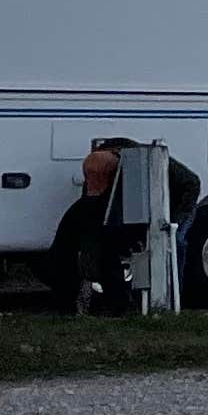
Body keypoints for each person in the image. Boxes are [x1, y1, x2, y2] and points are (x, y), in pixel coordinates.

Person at [60, 131, 130, 315]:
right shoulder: (107, 202)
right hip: (96, 245)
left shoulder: (83, 205)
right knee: (107, 261)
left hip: (86, 248)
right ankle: (113, 306)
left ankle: (80, 305)